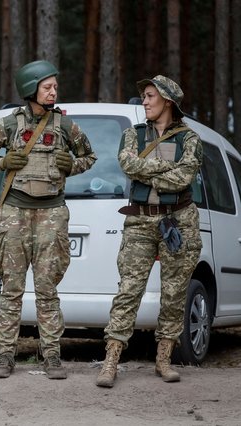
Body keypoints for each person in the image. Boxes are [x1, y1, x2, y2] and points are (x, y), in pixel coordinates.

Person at [0, 60, 96, 380]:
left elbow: (90, 157)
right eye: (47, 86)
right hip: (13, 211)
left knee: (47, 288)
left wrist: (72, 164)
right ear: (31, 90)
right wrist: (3, 163)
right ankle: (5, 356)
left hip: (52, 212)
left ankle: (52, 355)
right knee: (12, 287)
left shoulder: (67, 127)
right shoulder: (8, 125)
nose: (54, 91)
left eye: (55, 86)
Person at [96, 75, 202, 388]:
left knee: (173, 292)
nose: (144, 102)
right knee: (129, 290)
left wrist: (149, 174)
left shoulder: (189, 138)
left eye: (150, 96)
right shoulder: (133, 134)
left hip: (179, 220)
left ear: (167, 100)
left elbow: (184, 178)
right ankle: (111, 361)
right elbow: (126, 164)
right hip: (140, 220)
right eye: (143, 96)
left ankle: (163, 359)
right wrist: (165, 171)